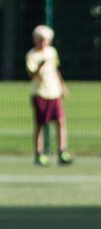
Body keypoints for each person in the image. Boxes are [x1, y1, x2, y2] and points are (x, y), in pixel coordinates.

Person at [25, 24, 72, 167]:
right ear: (35, 40)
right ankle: (39, 154)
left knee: (60, 121)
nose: (43, 42)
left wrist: (62, 86)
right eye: (40, 39)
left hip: (54, 92)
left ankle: (62, 151)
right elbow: (31, 75)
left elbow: (55, 70)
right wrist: (39, 66)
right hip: (40, 93)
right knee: (40, 124)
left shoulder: (52, 52)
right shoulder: (32, 55)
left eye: (45, 39)